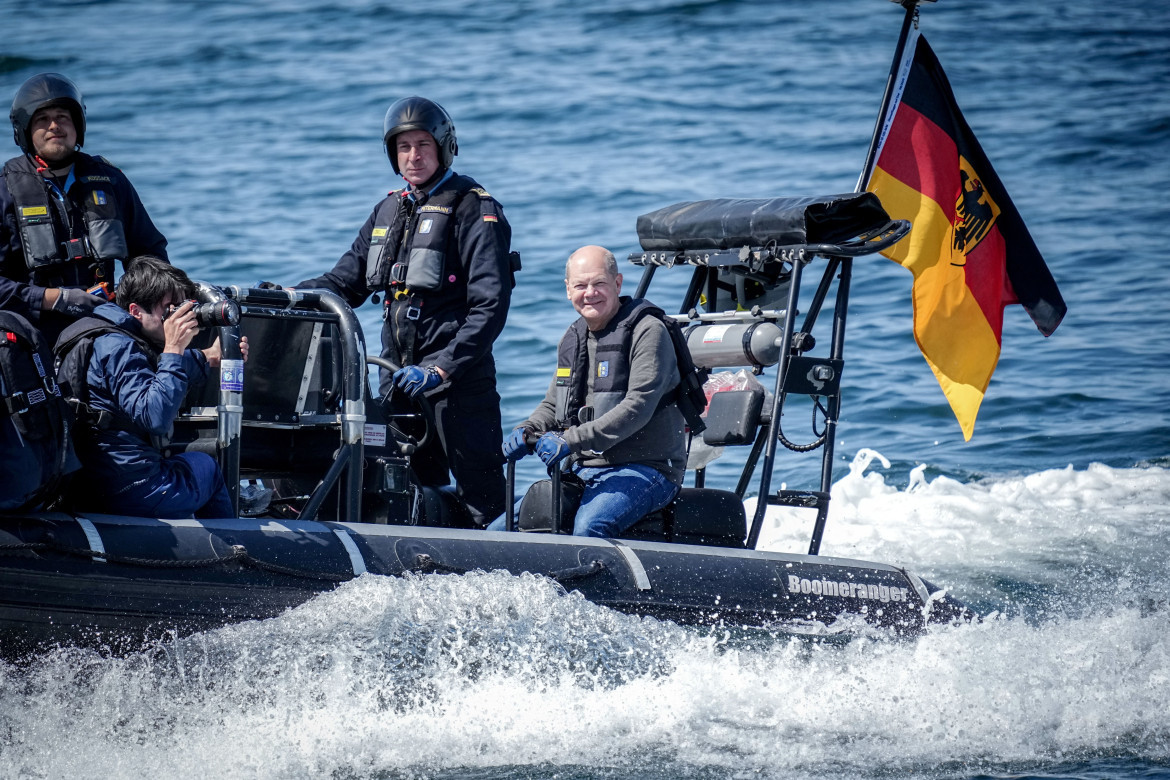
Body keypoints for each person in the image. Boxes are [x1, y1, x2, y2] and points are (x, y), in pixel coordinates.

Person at [293, 96, 515, 528]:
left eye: (422, 145)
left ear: (444, 147)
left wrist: (443, 369)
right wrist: (289, 293)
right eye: (404, 147)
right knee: (405, 491)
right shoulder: (388, 210)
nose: (413, 156)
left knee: (482, 497)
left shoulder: (474, 207)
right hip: (397, 382)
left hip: (457, 384)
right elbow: (344, 282)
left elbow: (490, 306)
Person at [488, 245, 686, 538]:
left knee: (589, 528)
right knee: (499, 531)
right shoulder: (573, 338)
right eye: (581, 285)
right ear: (568, 290)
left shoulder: (648, 331)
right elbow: (553, 404)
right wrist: (527, 429)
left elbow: (637, 407)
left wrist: (570, 440)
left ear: (617, 283)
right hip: (584, 469)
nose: (590, 292)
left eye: (599, 283)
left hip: (649, 469)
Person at [56, 256, 245, 519]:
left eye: (181, 307)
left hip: (92, 484)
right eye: (169, 308)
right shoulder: (118, 347)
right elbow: (154, 416)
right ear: (135, 310)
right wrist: (174, 347)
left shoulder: (111, 334)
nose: (176, 317)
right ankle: (234, 549)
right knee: (206, 466)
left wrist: (207, 356)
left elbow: (152, 368)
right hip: (133, 489)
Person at [1, 73, 168, 344]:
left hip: (106, 322)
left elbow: (149, 253)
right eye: (42, 119)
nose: (54, 126)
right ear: (25, 129)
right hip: (33, 336)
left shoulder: (110, 181)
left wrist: (145, 307)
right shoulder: (5, 192)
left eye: (63, 117)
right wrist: (52, 299)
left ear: (78, 124)